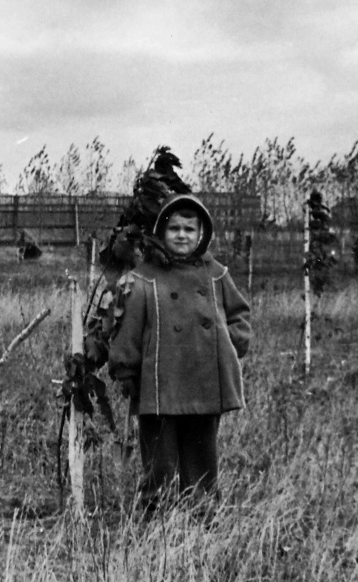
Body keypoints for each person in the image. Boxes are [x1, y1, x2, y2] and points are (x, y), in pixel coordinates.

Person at [108, 194, 252, 511]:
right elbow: (128, 329)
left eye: (190, 228)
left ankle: (202, 511)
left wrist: (230, 342)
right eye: (174, 228)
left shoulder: (216, 274)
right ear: (161, 232)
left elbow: (239, 315)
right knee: (159, 458)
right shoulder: (144, 277)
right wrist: (126, 370)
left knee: (202, 455)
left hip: (205, 380)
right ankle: (154, 510)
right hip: (160, 383)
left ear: (202, 233)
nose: (182, 235)